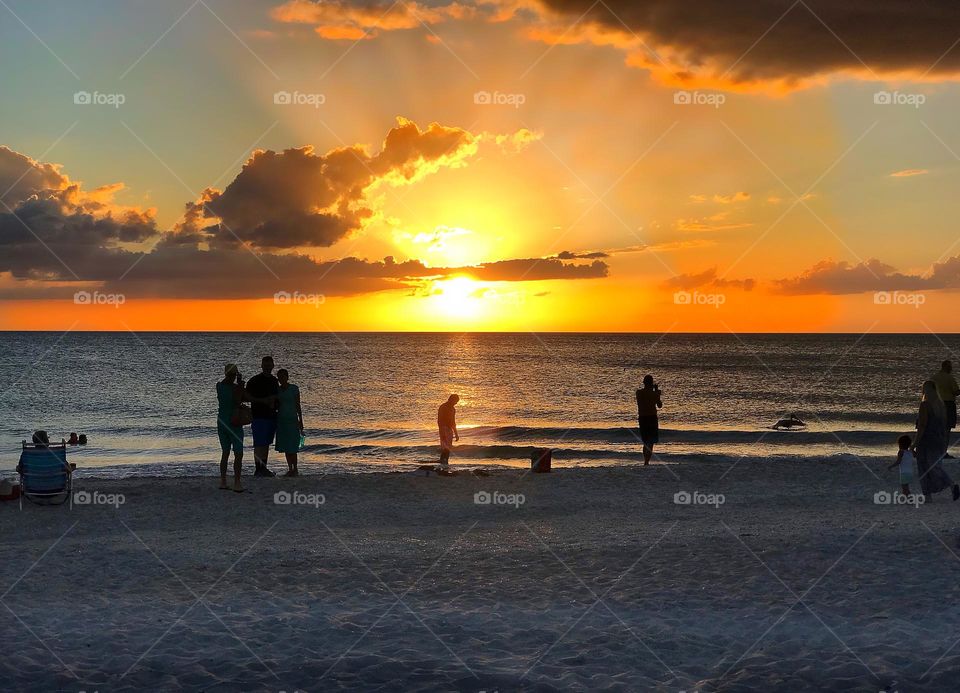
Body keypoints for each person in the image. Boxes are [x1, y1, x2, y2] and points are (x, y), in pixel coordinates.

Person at [913, 380, 960, 502]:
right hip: (939, 439)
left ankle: (928, 495)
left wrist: (915, 443)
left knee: (923, 466)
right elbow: (944, 425)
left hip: (926, 440)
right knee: (935, 466)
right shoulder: (941, 405)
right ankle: (951, 484)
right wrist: (944, 441)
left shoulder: (925, 405)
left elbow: (922, 425)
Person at [246, 356, 279, 477]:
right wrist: (262, 401)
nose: (267, 367)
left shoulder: (274, 381)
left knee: (266, 443)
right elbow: (246, 396)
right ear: (261, 366)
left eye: (269, 365)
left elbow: (278, 396)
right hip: (259, 415)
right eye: (265, 365)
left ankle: (263, 468)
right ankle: (258, 469)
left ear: (273, 366)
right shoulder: (255, 380)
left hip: (271, 415)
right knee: (259, 443)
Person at [217, 364, 246, 492]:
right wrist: (240, 385)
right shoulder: (235, 388)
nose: (233, 377)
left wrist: (239, 385)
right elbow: (238, 400)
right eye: (232, 375)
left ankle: (223, 481)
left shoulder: (219, 386)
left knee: (226, 452)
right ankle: (237, 482)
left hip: (222, 421)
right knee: (238, 453)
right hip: (233, 422)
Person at [275, 368, 304, 477]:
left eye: (283, 376)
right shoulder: (277, 390)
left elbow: (298, 405)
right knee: (286, 445)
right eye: (279, 377)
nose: (281, 379)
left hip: (292, 419)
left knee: (292, 445)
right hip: (281, 420)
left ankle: (295, 468)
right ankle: (290, 468)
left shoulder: (294, 389)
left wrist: (300, 420)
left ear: (287, 377)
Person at [932, 360, 959, 457]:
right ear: (947, 367)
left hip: (936, 404)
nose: (951, 368)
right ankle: (943, 452)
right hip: (948, 404)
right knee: (947, 429)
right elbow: (956, 392)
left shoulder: (934, 377)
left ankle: (936, 451)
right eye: (950, 367)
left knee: (937, 429)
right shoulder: (950, 378)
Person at [636, 375, 662, 465]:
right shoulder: (654, 394)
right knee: (651, 441)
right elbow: (659, 405)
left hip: (642, 418)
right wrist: (657, 392)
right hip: (652, 418)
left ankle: (645, 460)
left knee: (645, 441)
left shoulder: (638, 393)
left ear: (644, 383)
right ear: (651, 383)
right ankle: (647, 461)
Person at [437, 395, 460, 467]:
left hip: (450, 429)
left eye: (456, 402)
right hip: (443, 428)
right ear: (450, 399)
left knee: (448, 447)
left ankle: (445, 463)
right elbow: (440, 420)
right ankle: (442, 463)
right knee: (445, 447)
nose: (456, 403)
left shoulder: (453, 409)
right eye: (455, 401)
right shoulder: (443, 407)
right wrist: (442, 432)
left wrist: (456, 433)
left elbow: (453, 421)